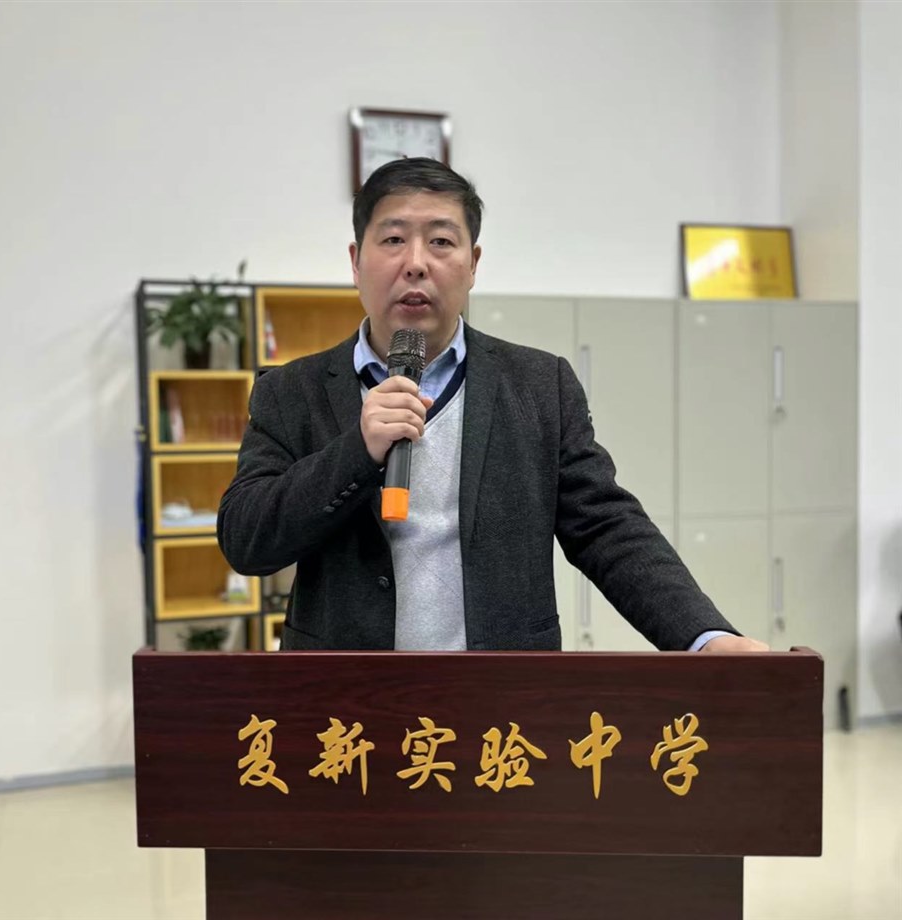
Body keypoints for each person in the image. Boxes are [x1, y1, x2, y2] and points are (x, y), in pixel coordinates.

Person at [217, 157, 768, 654]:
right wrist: (357, 451)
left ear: (473, 263)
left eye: (441, 241)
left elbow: (607, 528)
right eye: (393, 239)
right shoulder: (290, 391)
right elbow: (246, 540)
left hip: (502, 702)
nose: (416, 263)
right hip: (346, 703)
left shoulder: (538, 385)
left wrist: (704, 637)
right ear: (356, 262)